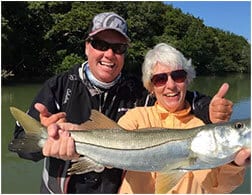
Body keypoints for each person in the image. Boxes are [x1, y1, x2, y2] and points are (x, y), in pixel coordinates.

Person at [10, 12, 234, 194]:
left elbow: (180, 99)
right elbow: (20, 143)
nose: (109, 54)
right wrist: (48, 143)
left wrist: (211, 109)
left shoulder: (139, 91)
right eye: (100, 44)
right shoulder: (58, 87)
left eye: (118, 48)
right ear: (87, 46)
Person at [116, 43, 250, 194]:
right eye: (160, 79)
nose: (171, 85)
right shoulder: (135, 118)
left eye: (178, 76)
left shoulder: (200, 127)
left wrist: (234, 165)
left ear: (187, 80)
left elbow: (218, 188)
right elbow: (107, 145)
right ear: (151, 87)